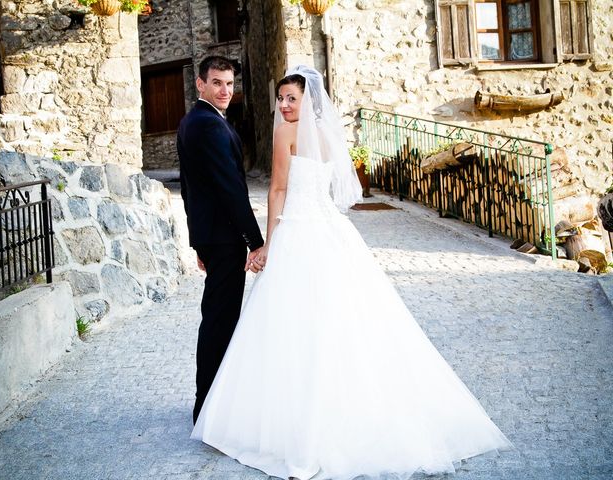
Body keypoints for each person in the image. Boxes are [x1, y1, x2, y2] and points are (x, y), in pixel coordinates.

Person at [190, 65, 512, 480]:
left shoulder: (286, 133)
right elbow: (335, 189)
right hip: (331, 232)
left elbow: (277, 190)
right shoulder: (327, 133)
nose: (284, 106)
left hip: (299, 231)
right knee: (347, 321)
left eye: (292, 99)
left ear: (308, 101)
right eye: (281, 99)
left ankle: (286, 419)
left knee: (295, 326)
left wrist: (267, 243)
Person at [177, 55, 265, 424]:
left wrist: (199, 242)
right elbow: (231, 191)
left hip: (213, 238)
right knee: (219, 320)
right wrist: (255, 240)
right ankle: (208, 407)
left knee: (217, 317)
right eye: (217, 83)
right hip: (224, 239)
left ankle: (211, 402)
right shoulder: (208, 125)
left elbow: (191, 189)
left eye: (229, 84)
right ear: (200, 84)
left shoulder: (196, 121)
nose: (225, 91)